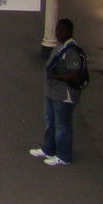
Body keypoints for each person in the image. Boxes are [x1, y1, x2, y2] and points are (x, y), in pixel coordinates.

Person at [31, 18, 84, 166]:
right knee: (50, 119)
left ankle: (64, 155)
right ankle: (48, 148)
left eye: (62, 30)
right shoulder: (60, 46)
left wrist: (54, 76)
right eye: (57, 30)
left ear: (70, 32)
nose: (58, 33)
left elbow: (74, 74)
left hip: (63, 94)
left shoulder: (72, 50)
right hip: (52, 92)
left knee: (62, 124)